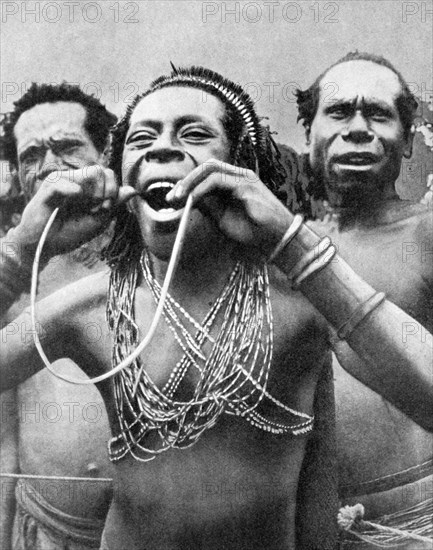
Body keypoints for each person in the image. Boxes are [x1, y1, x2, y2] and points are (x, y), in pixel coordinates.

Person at [1, 67, 431, 550]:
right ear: (121, 177)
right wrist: (17, 252)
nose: (162, 147)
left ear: (240, 167)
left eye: (194, 133)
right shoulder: (91, 308)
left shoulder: (301, 299)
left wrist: (293, 244)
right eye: (142, 138)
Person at [293, 52, 433, 547]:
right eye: (339, 112)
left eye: (378, 114)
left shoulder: (426, 233)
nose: (358, 128)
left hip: (414, 527)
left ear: (408, 140)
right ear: (307, 132)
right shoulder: (280, 245)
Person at [0, 83, 132, 550]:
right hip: (45, 534)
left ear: (107, 155)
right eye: (31, 154)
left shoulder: (159, 252)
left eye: (67, 147)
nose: (50, 167)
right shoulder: (12, 275)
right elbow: (4, 441)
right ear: (16, 175)